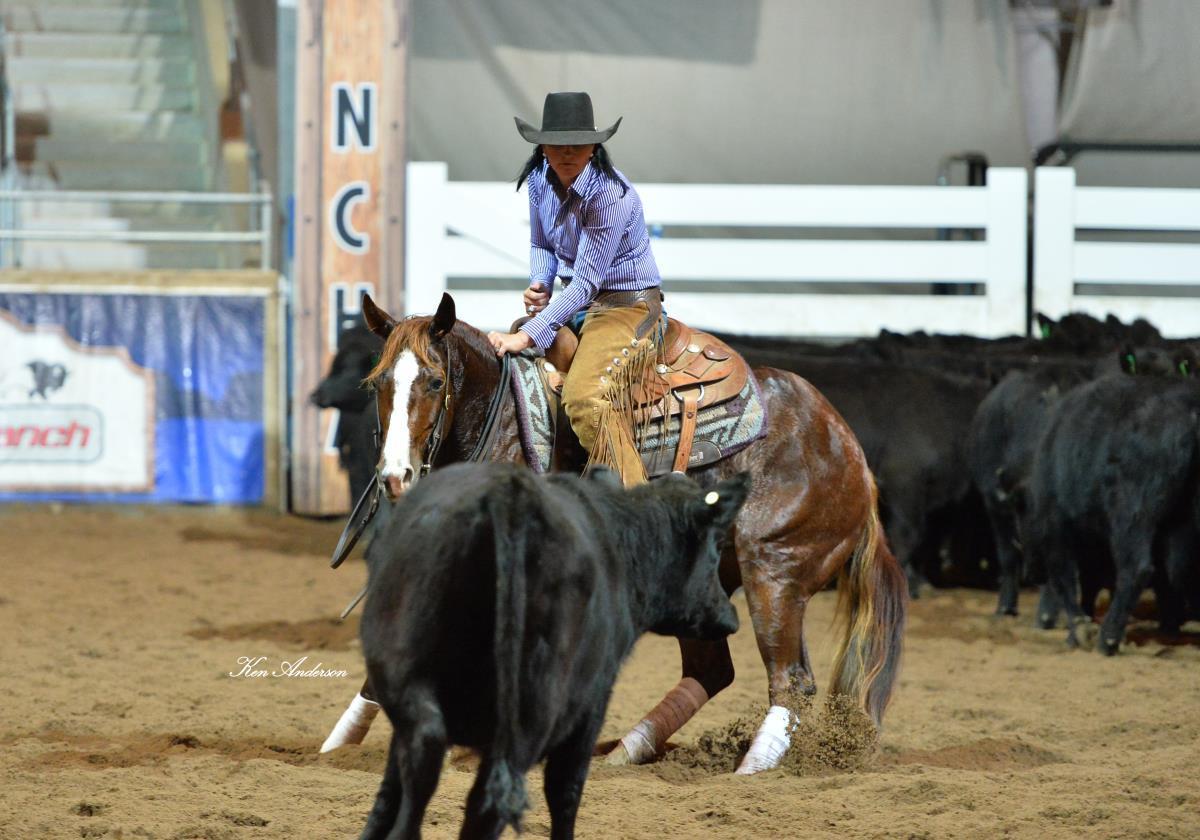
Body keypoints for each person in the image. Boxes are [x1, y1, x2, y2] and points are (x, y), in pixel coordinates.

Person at [486, 91, 663, 487]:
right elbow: (541, 243)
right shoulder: (539, 179)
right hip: (581, 304)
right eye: (557, 144)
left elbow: (585, 282)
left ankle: (636, 501)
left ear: (593, 147)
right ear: (542, 148)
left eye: (577, 144)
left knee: (584, 398)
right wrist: (540, 282)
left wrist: (526, 335)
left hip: (625, 307)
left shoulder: (610, 195)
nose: (567, 152)